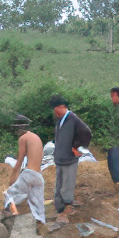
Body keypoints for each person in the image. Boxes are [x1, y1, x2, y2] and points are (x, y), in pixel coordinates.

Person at [50, 95, 91, 226]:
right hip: (60, 158)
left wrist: (76, 146)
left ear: (62, 107)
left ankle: (67, 208)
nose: (54, 112)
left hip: (69, 159)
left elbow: (86, 132)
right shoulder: (60, 120)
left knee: (67, 185)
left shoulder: (72, 119)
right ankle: (59, 208)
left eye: (55, 108)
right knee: (59, 184)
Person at [3, 115, 46, 224]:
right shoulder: (36, 137)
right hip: (38, 176)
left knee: (9, 194)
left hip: (29, 174)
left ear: (19, 128)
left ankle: (12, 215)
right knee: (38, 205)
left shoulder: (23, 138)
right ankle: (41, 223)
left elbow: (19, 161)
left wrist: (12, 179)